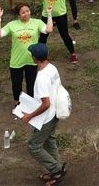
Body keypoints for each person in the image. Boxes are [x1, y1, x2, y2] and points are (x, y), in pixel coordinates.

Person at [23, 43, 66, 186]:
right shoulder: (52, 68)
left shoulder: (41, 77)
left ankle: (55, 170)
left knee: (33, 146)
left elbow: (45, 103)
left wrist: (29, 116)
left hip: (46, 118)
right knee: (49, 140)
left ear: (34, 57)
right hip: (55, 113)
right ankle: (57, 169)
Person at [0, 2, 53, 103]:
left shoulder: (37, 22)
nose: (26, 14)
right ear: (18, 15)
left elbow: (49, 29)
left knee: (32, 84)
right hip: (17, 60)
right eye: (23, 12)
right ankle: (19, 102)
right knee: (16, 84)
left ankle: (31, 103)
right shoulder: (12, 24)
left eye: (27, 11)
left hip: (32, 60)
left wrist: (49, 14)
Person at [33, 0, 78, 64]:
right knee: (43, 36)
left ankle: (73, 53)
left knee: (65, 35)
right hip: (46, 15)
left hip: (60, 15)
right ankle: (39, 57)